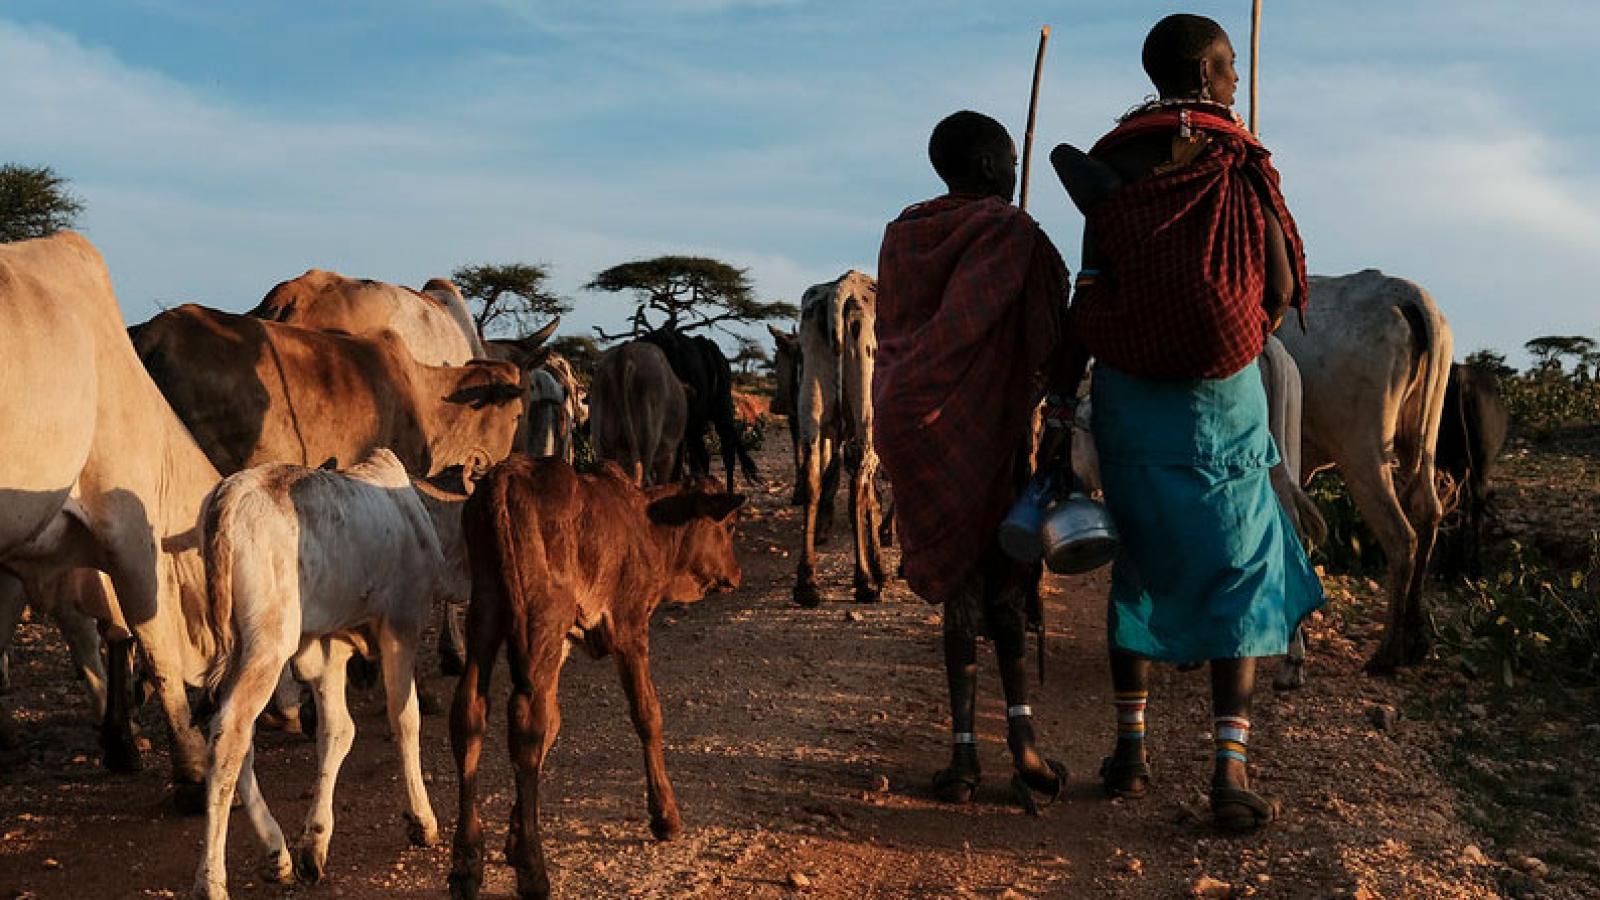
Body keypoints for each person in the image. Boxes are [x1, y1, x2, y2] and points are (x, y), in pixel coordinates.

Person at [1048, 13, 1325, 832]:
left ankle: (1129, 753)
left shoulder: (1107, 168)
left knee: (1139, 561)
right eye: (1230, 68)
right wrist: (1240, 333)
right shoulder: (1239, 162)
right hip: (1225, 396)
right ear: (1205, 72)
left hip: (1132, 399)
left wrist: (1063, 402)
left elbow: (1088, 294)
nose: (1237, 81)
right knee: (1239, 566)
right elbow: (1275, 285)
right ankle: (1229, 769)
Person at [874, 110, 1082, 809]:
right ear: (997, 169)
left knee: (958, 579)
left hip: (907, 414)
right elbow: (1051, 331)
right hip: (984, 424)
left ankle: (963, 754)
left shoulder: (902, 234)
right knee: (1000, 579)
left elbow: (902, 325)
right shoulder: (1009, 232)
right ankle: (1020, 740)